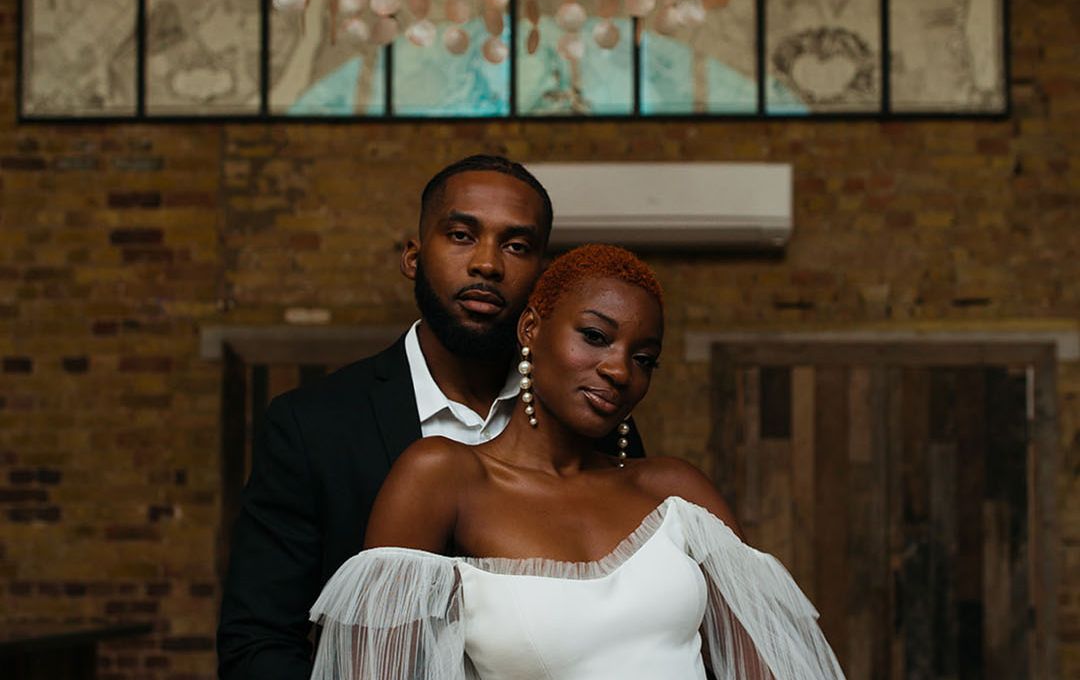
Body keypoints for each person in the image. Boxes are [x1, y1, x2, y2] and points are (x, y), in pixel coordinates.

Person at [308, 244, 845, 680]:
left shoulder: (674, 491)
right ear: (531, 330)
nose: (619, 371)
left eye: (643, 359)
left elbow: (768, 668)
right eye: (594, 336)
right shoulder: (443, 476)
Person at [217, 155, 643, 679]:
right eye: (462, 235)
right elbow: (258, 641)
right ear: (414, 257)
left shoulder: (588, 419)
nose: (488, 264)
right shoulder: (313, 426)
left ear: (543, 279)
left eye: (516, 245)